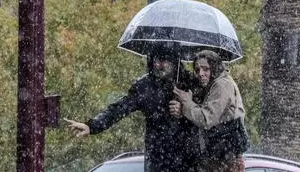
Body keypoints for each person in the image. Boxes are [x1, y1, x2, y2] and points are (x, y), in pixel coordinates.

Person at [64, 46, 201, 172]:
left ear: (174, 62)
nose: (159, 65)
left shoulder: (192, 83)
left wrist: (185, 110)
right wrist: (92, 126)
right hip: (157, 157)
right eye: (156, 60)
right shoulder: (145, 87)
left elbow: (208, 115)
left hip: (189, 157)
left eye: (164, 60)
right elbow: (119, 108)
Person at [170, 50, 249, 172]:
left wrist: (187, 103)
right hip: (220, 155)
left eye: (205, 69)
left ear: (214, 68)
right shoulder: (213, 86)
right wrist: (182, 110)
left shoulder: (221, 85)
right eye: (197, 70)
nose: (200, 73)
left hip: (224, 157)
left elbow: (206, 119)